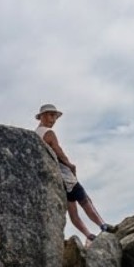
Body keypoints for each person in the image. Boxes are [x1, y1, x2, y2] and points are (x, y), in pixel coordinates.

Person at [34, 103, 115, 242]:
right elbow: (58, 151)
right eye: (51, 116)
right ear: (42, 116)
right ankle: (103, 226)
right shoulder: (48, 133)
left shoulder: (35, 134)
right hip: (64, 174)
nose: (53, 120)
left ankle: (89, 235)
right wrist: (70, 165)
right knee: (85, 201)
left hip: (54, 177)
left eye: (55, 117)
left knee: (72, 210)